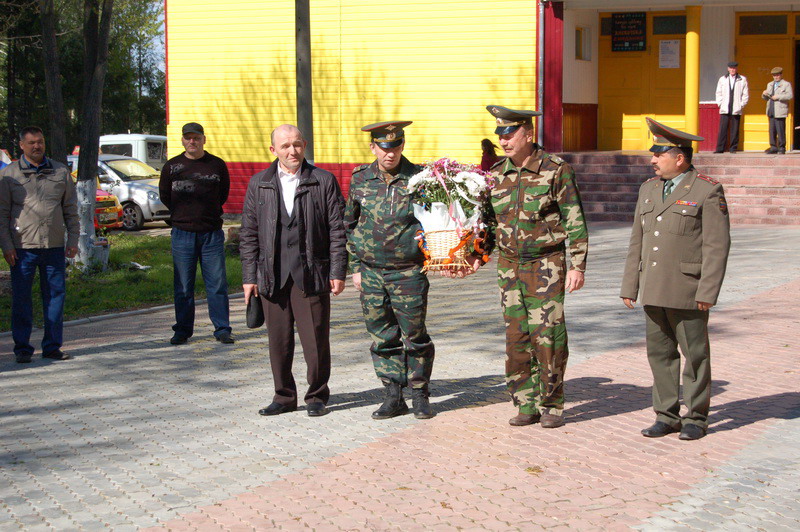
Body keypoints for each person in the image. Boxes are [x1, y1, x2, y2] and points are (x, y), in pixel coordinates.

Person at [467, 106, 589, 429]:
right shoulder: (496, 174)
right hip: (509, 267)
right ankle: (525, 402)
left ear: (529, 134)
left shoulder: (555, 170)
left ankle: (551, 404)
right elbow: (491, 224)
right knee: (516, 338)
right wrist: (478, 253)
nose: (503, 140)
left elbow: (574, 218)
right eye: (500, 134)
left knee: (547, 337)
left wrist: (578, 264)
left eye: (510, 133)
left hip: (545, 264)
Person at [621, 118, 731, 441]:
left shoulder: (706, 190)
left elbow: (717, 245)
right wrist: (630, 285)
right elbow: (637, 241)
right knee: (660, 354)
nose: (652, 160)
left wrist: (708, 289)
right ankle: (666, 414)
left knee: (694, 355)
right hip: (653, 287)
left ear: (679, 157)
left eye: (658, 153)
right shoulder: (648, 189)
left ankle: (695, 416)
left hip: (688, 290)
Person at [240, 124, 346, 418]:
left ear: (305, 145)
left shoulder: (323, 181)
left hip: (311, 274)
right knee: (279, 341)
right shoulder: (258, 184)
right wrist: (249, 277)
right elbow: (248, 234)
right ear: (273, 150)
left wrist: (338, 270)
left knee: (316, 340)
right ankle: (284, 396)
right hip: (272, 276)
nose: (292, 151)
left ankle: (316, 395)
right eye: (285, 146)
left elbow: (337, 230)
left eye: (297, 145)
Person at [344, 121, 436, 420]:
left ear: (402, 146)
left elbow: (436, 221)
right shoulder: (360, 179)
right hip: (371, 273)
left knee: (415, 336)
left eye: (396, 146)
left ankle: (420, 394)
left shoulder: (419, 178)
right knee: (382, 338)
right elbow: (349, 223)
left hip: (408, 272)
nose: (390, 153)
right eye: (384, 147)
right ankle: (393, 395)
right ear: (373, 147)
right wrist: (356, 266)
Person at [0, 126, 79, 363]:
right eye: (32, 143)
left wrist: (73, 240)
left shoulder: (60, 171)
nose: (37, 146)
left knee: (55, 298)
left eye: (40, 142)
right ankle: (23, 349)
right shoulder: (9, 175)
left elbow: (71, 210)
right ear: (22, 146)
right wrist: (6, 246)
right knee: (22, 300)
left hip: (54, 247)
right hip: (22, 248)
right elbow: (2, 214)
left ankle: (52, 347)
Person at [159, 122, 233, 345]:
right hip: (182, 233)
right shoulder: (172, 167)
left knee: (217, 284)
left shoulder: (216, 165)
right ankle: (182, 330)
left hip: (211, 233)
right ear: (182, 140)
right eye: (188, 138)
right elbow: (165, 196)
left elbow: (223, 194)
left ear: (203, 139)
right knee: (183, 285)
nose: (193, 141)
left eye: (196, 138)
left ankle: (222, 329)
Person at [714, 61, 749, 153]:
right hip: (725, 107)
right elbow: (718, 92)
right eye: (731, 68)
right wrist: (720, 104)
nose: (733, 70)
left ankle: (733, 148)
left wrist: (741, 105)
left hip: (736, 107)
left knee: (735, 129)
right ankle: (720, 148)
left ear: (736, 69)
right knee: (723, 129)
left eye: (734, 68)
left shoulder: (742, 79)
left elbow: (745, 94)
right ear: (728, 69)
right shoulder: (723, 79)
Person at [762, 67, 793, 154]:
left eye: (777, 75)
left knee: (780, 129)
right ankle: (773, 147)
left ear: (781, 75)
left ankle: (782, 147)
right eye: (774, 75)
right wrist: (764, 94)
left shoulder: (786, 84)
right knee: (772, 130)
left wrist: (778, 97)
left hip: (780, 110)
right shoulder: (770, 84)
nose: (776, 77)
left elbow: (789, 95)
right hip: (771, 109)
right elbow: (766, 97)